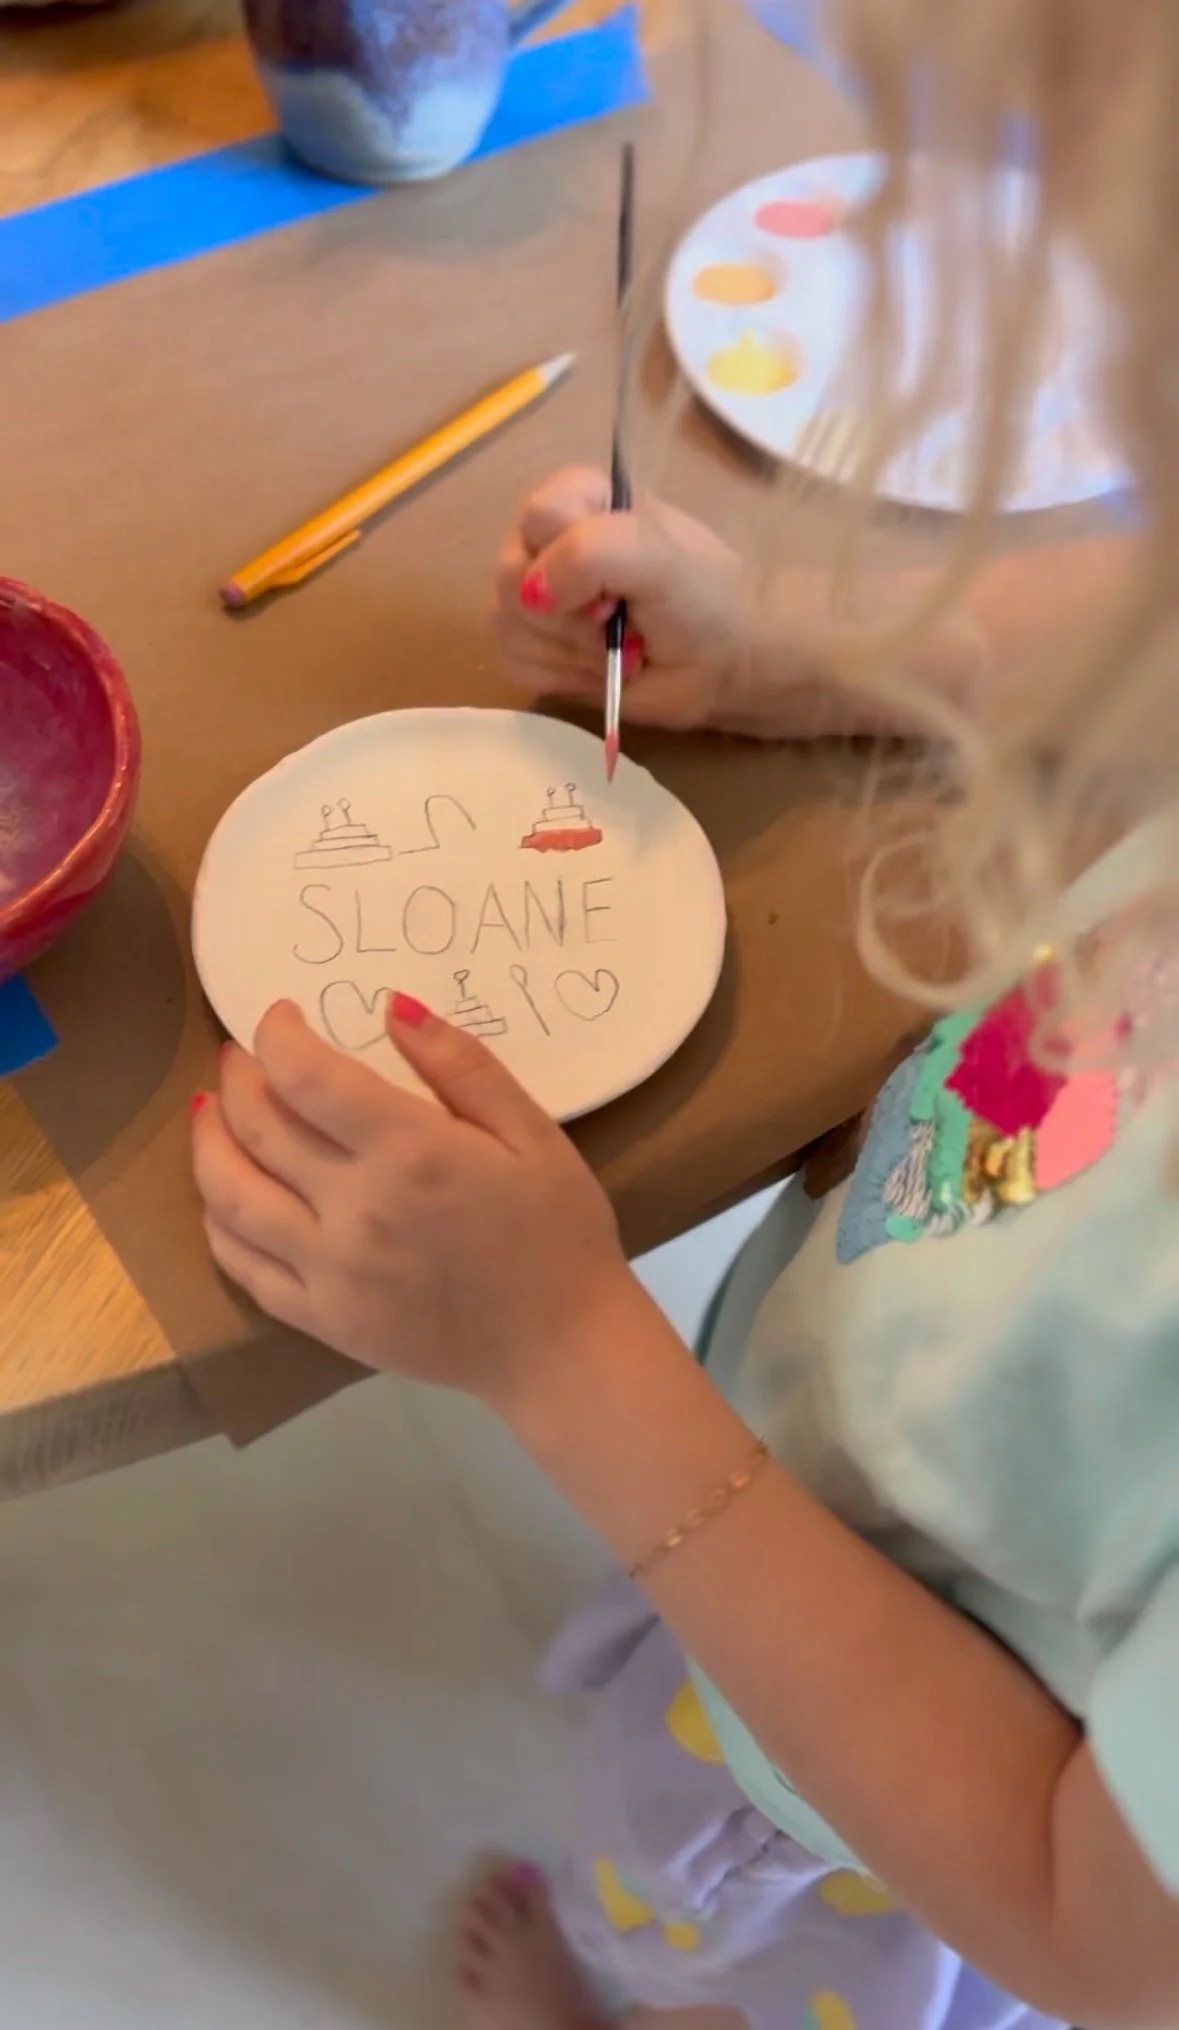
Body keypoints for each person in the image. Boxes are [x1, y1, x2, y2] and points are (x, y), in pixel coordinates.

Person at [191, 4, 1179, 2030]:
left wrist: (564, 1353)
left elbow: (1098, 1918)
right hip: (840, 1454)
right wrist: (811, 656)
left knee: (765, 1946)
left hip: (908, 1811)